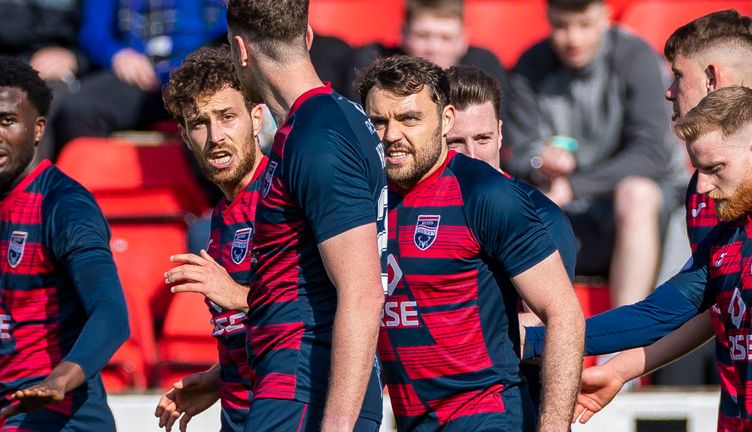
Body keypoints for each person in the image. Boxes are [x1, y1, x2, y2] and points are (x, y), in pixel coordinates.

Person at [355, 55, 585, 431]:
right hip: (412, 418)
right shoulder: (364, 200)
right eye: (379, 121)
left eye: (409, 119)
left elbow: (563, 313)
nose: (392, 134)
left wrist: (554, 426)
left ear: (442, 120)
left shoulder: (489, 195)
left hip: (487, 414)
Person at [523, 85, 752, 430]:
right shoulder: (727, 241)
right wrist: (530, 340)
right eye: (697, 169)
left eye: (715, 167)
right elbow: (653, 316)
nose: (702, 187)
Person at [565, 9, 752, 423]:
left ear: (712, 78)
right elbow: (712, 300)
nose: (668, 92)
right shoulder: (706, 187)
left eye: (677, 76)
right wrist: (623, 366)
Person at [225, 1, 387, 430]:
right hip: (299, 383)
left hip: (307, 389)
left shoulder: (316, 138)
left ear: (241, 50)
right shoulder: (332, 119)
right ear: (308, 38)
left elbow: (363, 292)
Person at [505, 0, 686, 308]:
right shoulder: (530, 65)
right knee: (513, 202)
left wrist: (574, 186)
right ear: (548, 19)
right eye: (562, 26)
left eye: (584, 25)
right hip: (563, 203)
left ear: (605, 16)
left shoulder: (635, 57)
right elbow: (517, 153)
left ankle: (625, 333)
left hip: (648, 206)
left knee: (636, 192)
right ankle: (531, 335)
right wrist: (540, 162)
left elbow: (652, 154)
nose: (573, 39)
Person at [0, 57, 129, 430]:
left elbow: (112, 315)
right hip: (12, 416)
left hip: (65, 419)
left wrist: (58, 381)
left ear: (38, 129)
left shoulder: (64, 205)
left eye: (7, 121)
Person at [446, 64, 577, 412]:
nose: (472, 156)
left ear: (501, 135)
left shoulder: (541, 216)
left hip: (515, 405)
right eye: (455, 142)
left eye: (483, 139)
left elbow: (549, 325)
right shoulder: (406, 213)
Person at [153, 46, 265, 432]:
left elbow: (328, 311)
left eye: (227, 117)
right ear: (184, 136)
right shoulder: (220, 218)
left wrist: (234, 293)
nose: (215, 136)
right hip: (238, 417)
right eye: (199, 123)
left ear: (256, 116)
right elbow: (257, 332)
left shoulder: (288, 197)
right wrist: (219, 378)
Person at [53, 0, 227, 153]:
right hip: (140, 76)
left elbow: (230, 27)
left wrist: (190, 66)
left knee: (217, 114)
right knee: (78, 110)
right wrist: (116, 55)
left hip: (202, 72)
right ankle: (98, 186)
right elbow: (94, 32)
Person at [350, 0, 510, 106]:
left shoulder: (483, 67)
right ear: (403, 33)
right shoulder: (375, 62)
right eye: (422, 36)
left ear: (463, 40)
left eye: (445, 38)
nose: (433, 48)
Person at [0, 0, 90, 160]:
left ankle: (31, 182)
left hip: (51, 72)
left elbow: (99, 36)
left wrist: (74, 58)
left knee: (36, 106)